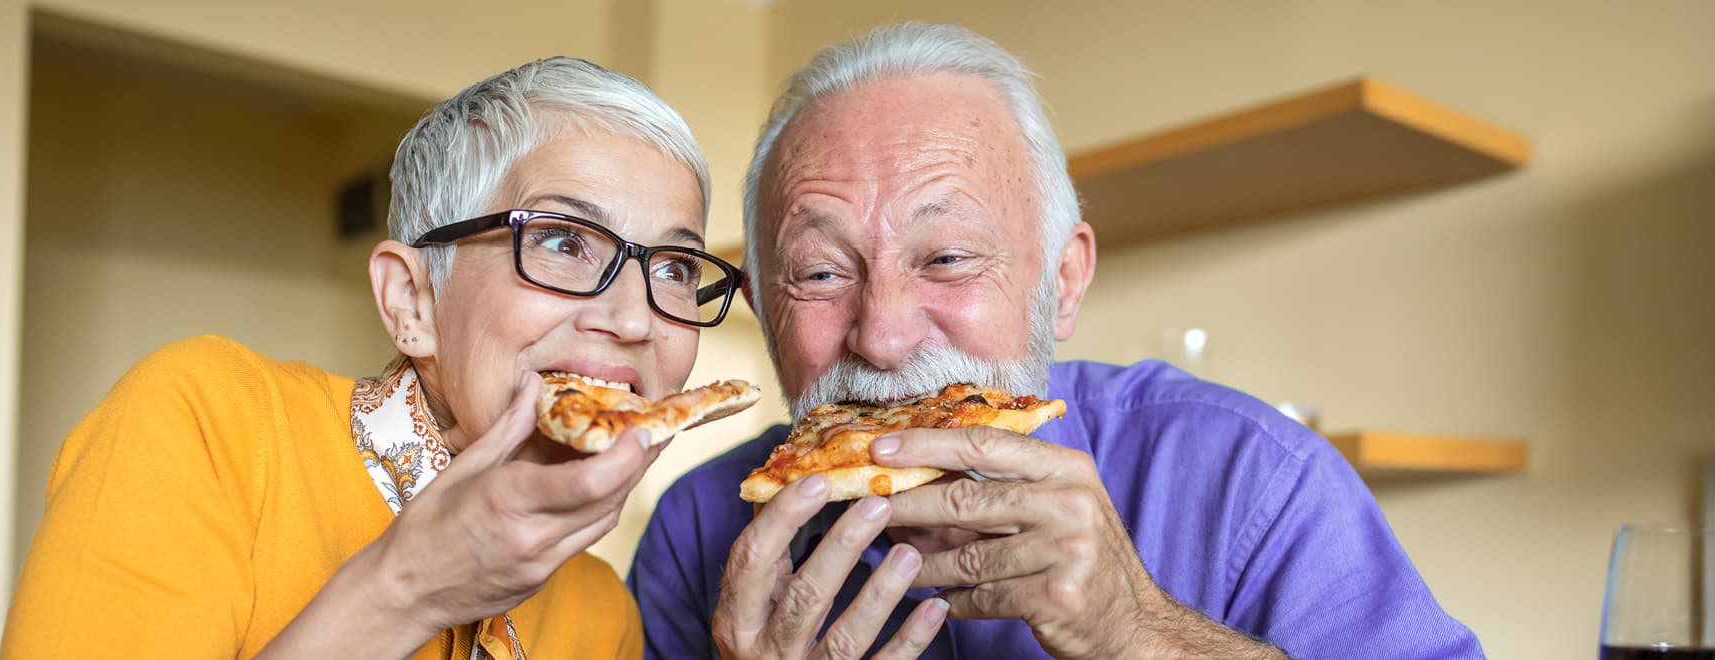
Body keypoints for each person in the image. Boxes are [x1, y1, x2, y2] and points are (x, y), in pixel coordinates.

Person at [629, 23, 1484, 659]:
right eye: (819, 273)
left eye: (949, 257)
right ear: (764, 311)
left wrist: (1140, 632)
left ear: (1063, 282)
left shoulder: (1255, 479)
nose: (883, 336)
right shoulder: (695, 531)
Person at [1, 56, 745, 659]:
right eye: (562, 240)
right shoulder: (209, 423)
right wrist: (408, 587)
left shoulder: (600, 610)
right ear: (411, 302)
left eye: (676, 268)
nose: (634, 317)